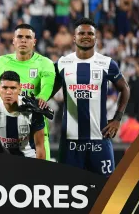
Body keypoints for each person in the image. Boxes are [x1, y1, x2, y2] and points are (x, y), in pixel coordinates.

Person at [51, 17, 130, 176]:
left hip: (99, 139)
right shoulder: (62, 63)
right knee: (67, 189)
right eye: (81, 33)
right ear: (74, 37)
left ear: (96, 38)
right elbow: (48, 92)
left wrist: (117, 119)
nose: (86, 36)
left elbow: (125, 89)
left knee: (105, 189)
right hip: (70, 141)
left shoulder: (107, 63)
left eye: (90, 33)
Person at [0, 24, 55, 160]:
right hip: (4, 135)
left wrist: (42, 97)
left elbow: (47, 85)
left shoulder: (45, 63)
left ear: (34, 42)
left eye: (28, 37)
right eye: (19, 37)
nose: (23, 40)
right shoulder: (0, 62)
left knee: (43, 177)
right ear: (13, 40)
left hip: (35, 132)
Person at [0, 71, 46, 159]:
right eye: (5, 88)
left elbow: (40, 147)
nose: (8, 92)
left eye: (13, 88)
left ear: (20, 89)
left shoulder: (33, 110)